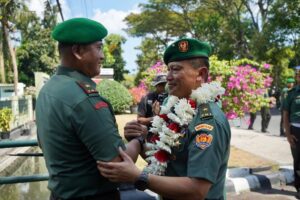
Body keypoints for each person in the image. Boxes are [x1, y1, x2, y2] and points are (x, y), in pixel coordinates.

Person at [98, 38, 231, 200]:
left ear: (200, 74)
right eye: (168, 70)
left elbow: (197, 190)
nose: (168, 77)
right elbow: (167, 161)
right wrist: (141, 138)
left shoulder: (208, 121)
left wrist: (138, 176)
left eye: (175, 70)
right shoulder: (177, 109)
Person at [36, 18, 146, 200]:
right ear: (78, 51)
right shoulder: (84, 99)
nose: (102, 56)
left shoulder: (47, 91)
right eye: (99, 47)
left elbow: (43, 143)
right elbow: (118, 166)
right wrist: (139, 140)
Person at [283, 66, 300, 199]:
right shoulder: (291, 93)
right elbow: (285, 114)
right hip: (296, 130)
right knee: (298, 160)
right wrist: (288, 134)